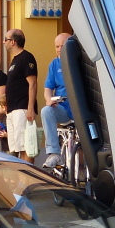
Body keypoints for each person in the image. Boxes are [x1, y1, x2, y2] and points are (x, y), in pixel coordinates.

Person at [2, 29, 37, 161]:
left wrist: (30, 108)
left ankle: (28, 177)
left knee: (26, 146)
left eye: (6, 39)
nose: (3, 42)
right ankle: (22, 177)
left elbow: (32, 83)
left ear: (13, 42)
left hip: (22, 108)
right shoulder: (15, 60)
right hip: (12, 109)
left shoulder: (26, 57)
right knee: (17, 147)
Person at [41, 33, 73, 168]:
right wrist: (49, 100)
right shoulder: (54, 64)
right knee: (46, 111)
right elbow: (48, 88)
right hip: (63, 109)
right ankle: (54, 153)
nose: (59, 49)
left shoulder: (81, 61)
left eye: (62, 46)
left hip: (82, 111)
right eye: (57, 46)